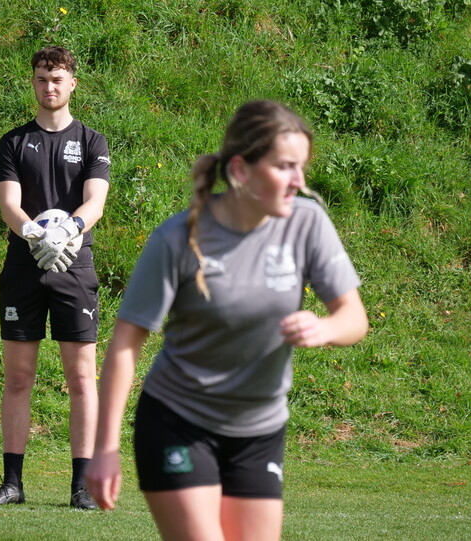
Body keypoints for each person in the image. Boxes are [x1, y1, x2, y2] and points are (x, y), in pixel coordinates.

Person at [86, 100, 368, 539]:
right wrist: (105, 449)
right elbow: (125, 344)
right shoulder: (177, 239)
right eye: (286, 167)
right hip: (178, 422)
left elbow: (354, 317)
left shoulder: (307, 223)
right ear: (240, 171)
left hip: (260, 431)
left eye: (302, 167)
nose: (300, 182)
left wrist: (325, 327)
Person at [0, 46, 110, 510]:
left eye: (57, 79)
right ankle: (12, 483)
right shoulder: (13, 142)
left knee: (81, 379)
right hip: (24, 266)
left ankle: (82, 488)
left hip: (74, 267)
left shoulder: (93, 142)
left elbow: (94, 202)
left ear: (72, 83)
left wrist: (69, 229)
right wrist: (36, 233)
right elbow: (9, 205)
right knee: (18, 378)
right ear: (33, 83)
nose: (49, 86)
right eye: (41, 78)